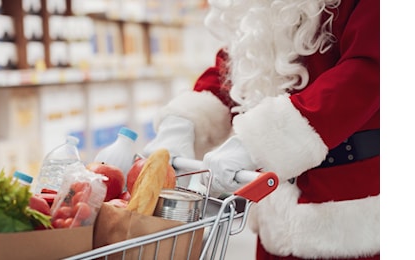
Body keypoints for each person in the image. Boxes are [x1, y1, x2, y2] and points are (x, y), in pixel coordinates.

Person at [143, 0, 380, 259]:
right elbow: (246, 64)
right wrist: (184, 121)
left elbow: (369, 71)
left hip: (351, 210)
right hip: (275, 209)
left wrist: (261, 140)